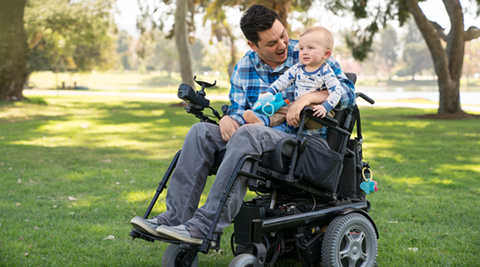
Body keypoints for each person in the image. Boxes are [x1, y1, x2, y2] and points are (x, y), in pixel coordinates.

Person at [130, 4, 355, 245]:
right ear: (253, 46)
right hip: (255, 134)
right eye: (271, 43)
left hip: (300, 142)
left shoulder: (309, 52)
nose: (282, 45)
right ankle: (175, 220)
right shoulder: (244, 67)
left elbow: (348, 92)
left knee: (248, 133)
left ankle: (204, 227)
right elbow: (238, 110)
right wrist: (229, 119)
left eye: (283, 35)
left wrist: (307, 98)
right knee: (201, 132)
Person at [243, 26, 344, 131]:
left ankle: (283, 129)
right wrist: (270, 91)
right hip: (297, 106)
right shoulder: (298, 67)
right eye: (301, 48)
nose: (304, 52)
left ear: (326, 54)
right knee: (283, 108)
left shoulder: (326, 72)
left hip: (318, 111)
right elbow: (284, 80)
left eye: (310, 48)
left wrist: (325, 107)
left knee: (298, 113)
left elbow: (336, 92)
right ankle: (263, 120)